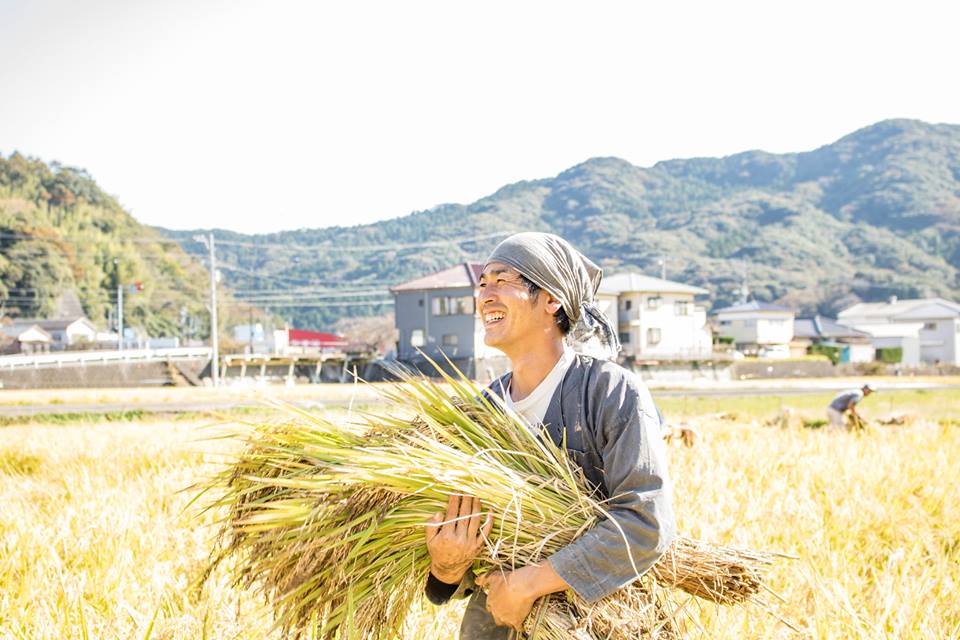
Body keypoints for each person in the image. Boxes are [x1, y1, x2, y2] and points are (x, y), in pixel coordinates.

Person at [423, 232, 675, 639]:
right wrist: (446, 567)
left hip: (591, 623)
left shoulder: (609, 392)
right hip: (493, 626)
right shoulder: (481, 412)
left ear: (552, 299)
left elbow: (646, 523)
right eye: (482, 283)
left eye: (502, 279)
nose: (485, 295)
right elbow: (458, 557)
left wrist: (531, 582)